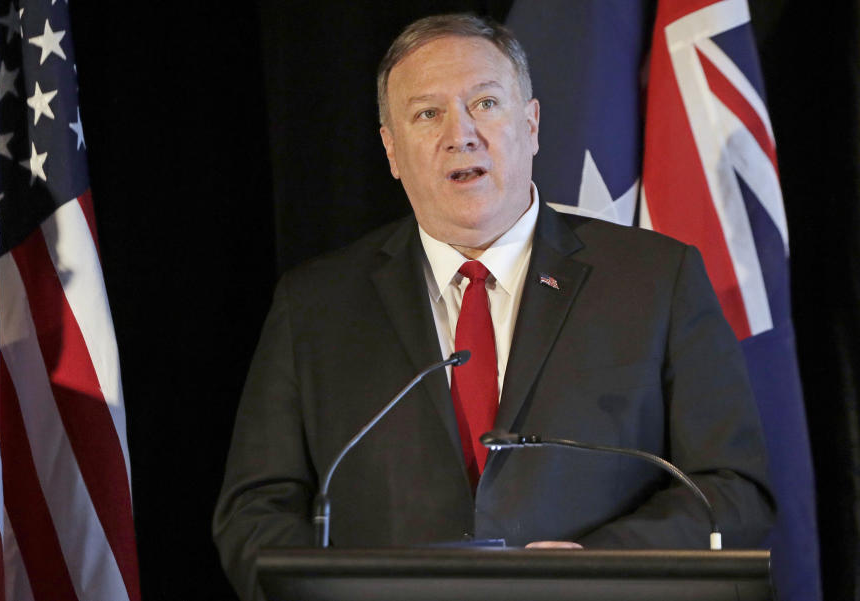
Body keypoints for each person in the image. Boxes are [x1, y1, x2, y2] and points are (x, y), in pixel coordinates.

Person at [214, 13, 774, 601]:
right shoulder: (316, 306)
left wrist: (598, 567)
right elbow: (255, 512)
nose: (461, 133)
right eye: (427, 113)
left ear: (530, 125)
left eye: (485, 103)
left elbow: (732, 488)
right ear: (391, 149)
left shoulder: (655, 278)